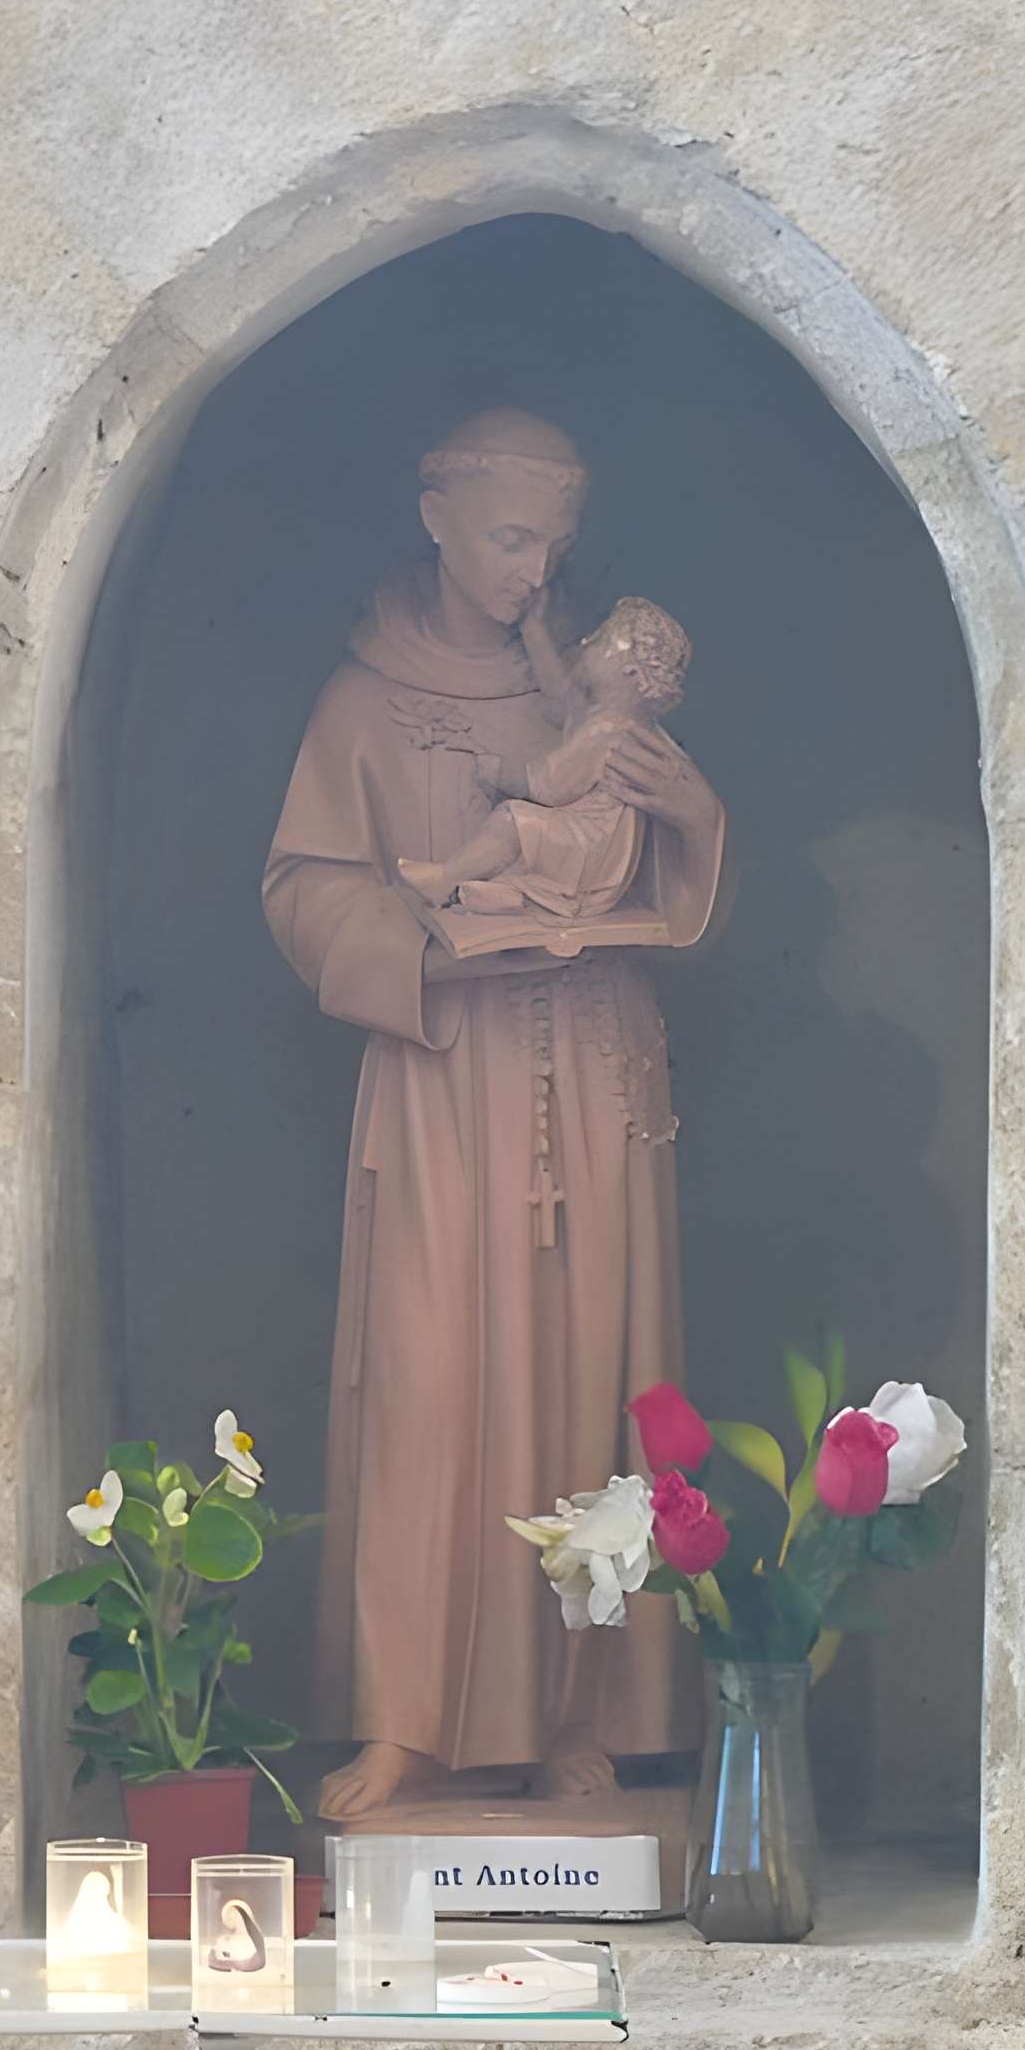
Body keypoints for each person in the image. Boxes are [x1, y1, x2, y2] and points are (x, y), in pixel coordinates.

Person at [262, 407, 726, 1822]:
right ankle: (408, 1716)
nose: (536, 569)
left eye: (555, 544)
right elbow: (302, 887)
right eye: (515, 537)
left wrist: (695, 809)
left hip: (590, 1066)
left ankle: (583, 1714)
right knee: (429, 1388)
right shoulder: (363, 700)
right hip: (444, 1069)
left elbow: (664, 848)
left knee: (591, 1381)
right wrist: (423, 946)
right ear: (439, 516)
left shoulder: (589, 690)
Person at [399, 595, 692, 922]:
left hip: (585, 854)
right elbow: (562, 698)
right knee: (524, 846)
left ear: (631, 673)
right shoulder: (632, 724)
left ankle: (443, 880)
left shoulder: (607, 730)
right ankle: (507, 896)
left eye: (602, 640)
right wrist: (534, 628)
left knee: (512, 819)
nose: (587, 642)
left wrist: (492, 768)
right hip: (602, 867)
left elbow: (546, 787)